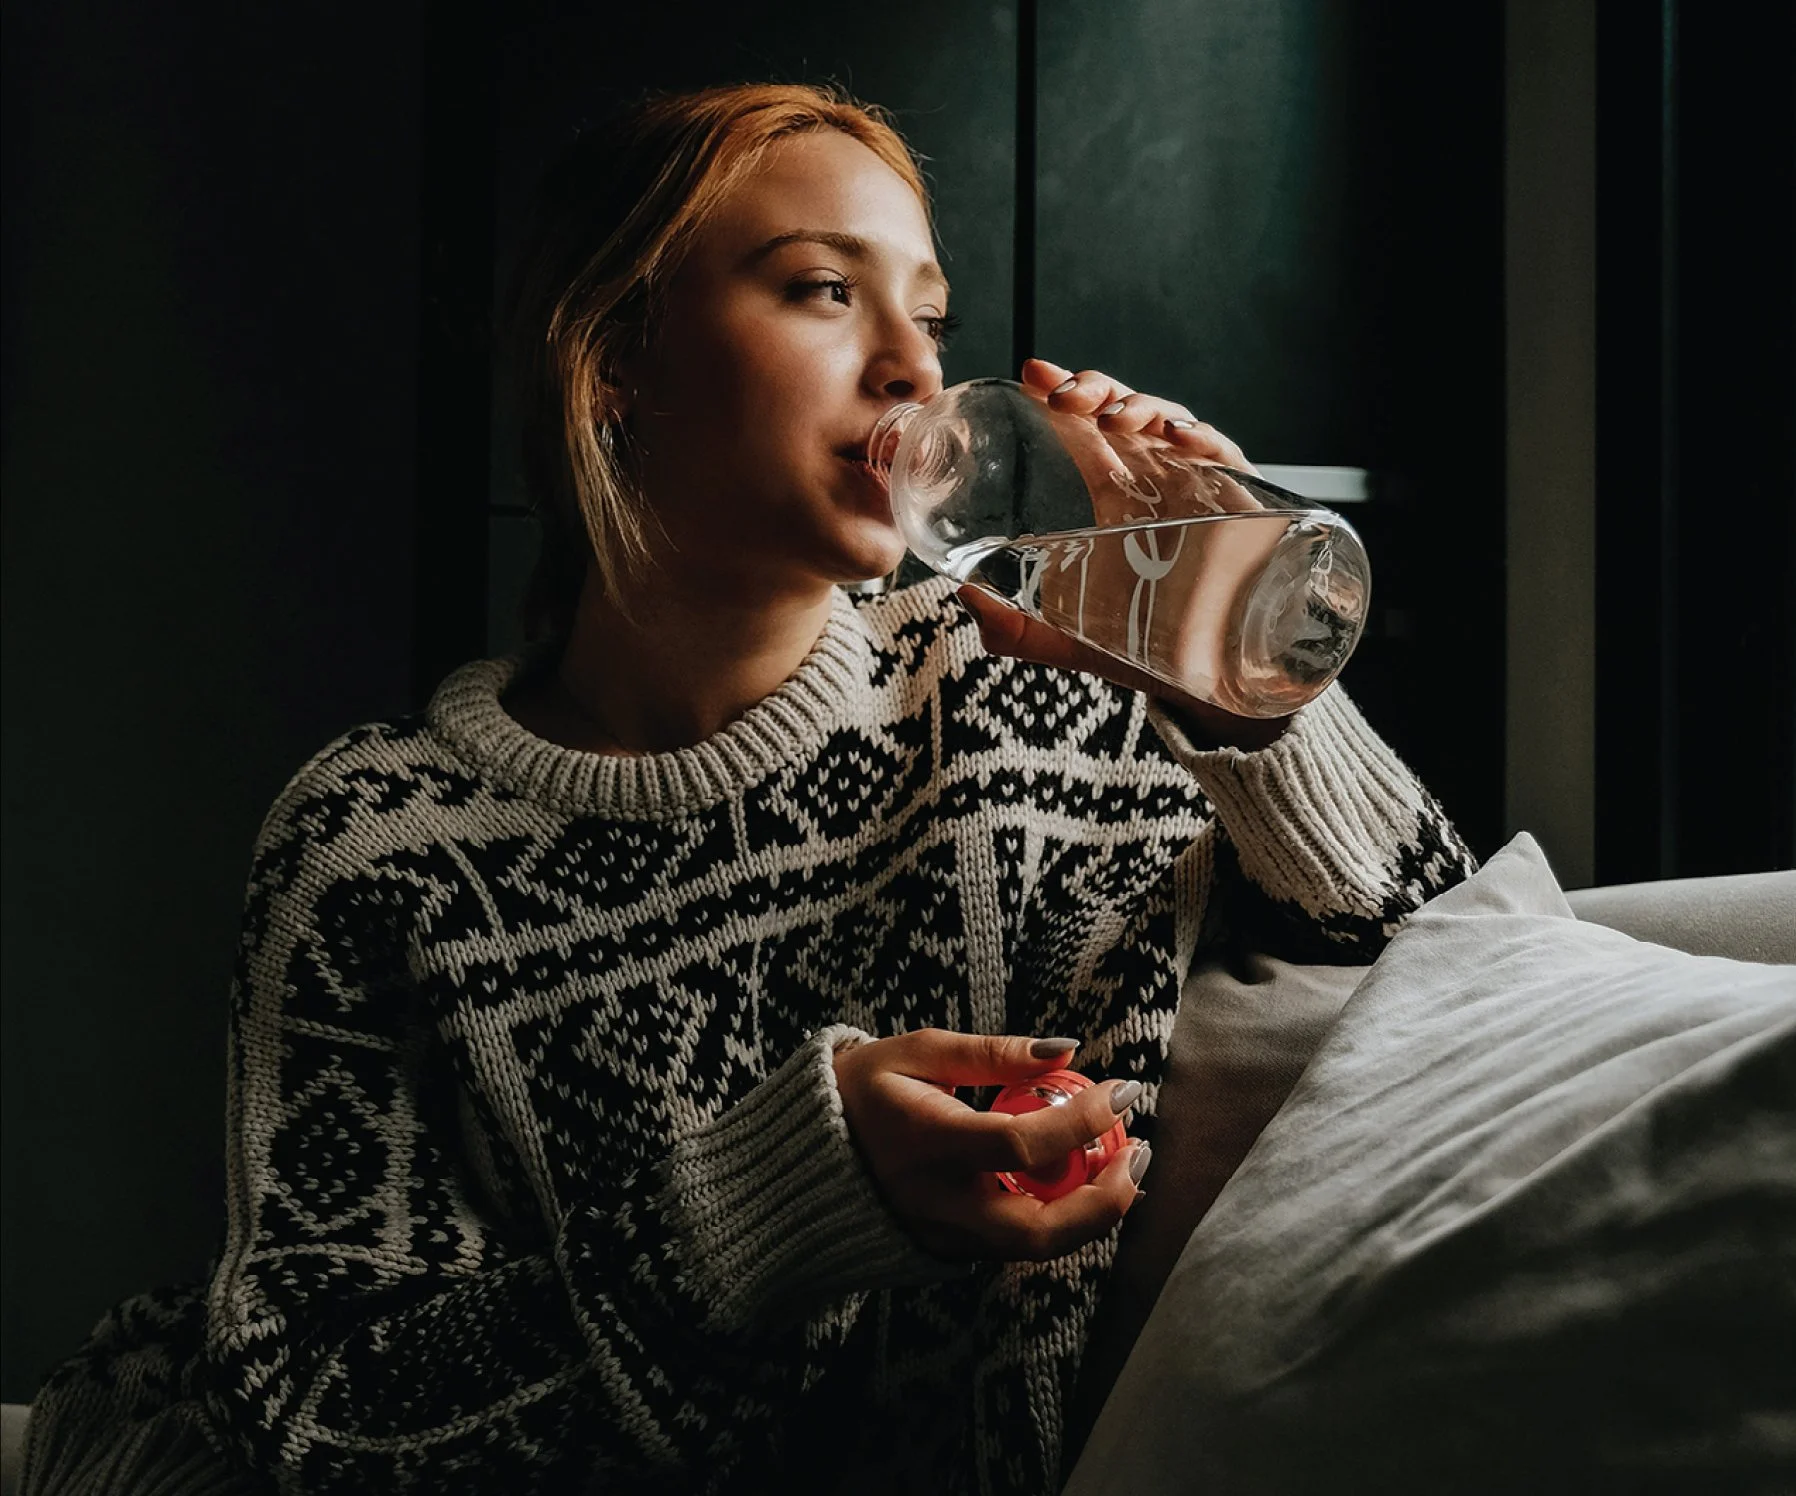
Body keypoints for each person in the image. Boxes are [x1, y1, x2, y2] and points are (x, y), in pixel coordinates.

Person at [21, 82, 1476, 1495]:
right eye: (824, 291)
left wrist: (1244, 685)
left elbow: (1464, 990)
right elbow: (321, 1419)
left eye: (934, 312)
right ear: (614, 368)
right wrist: (798, 1195)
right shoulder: (373, 847)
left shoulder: (1030, 692)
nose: (917, 366)